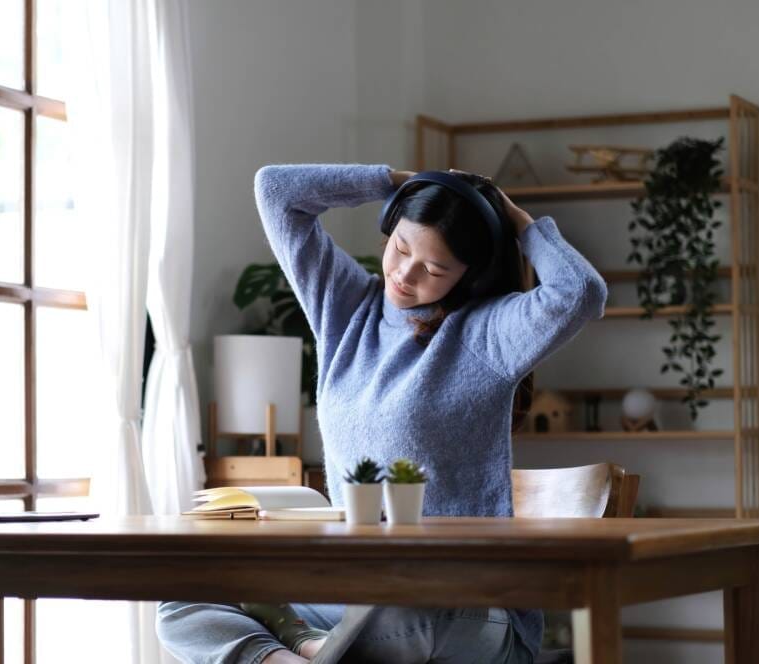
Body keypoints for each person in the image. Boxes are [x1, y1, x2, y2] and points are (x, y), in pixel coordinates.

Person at [156, 163, 608, 664]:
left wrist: (520, 222)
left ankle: (308, 645)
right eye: (401, 247)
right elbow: (275, 190)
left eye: (433, 270)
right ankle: (295, 654)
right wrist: (398, 182)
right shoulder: (345, 307)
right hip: (353, 594)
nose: (404, 273)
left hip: (465, 605)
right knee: (183, 598)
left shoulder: (490, 333)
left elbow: (581, 293)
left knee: (400, 608)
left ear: (468, 274)